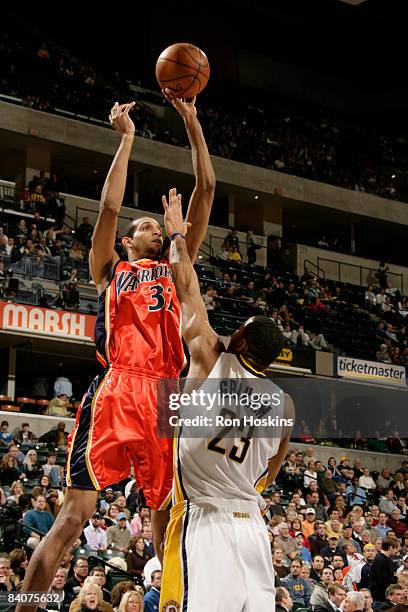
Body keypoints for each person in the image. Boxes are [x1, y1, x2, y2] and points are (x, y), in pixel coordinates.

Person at [18, 94, 215, 612]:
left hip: (166, 397)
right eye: (146, 225)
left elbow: (207, 188)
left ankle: (170, 605)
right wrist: (126, 139)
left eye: (158, 225)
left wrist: (192, 123)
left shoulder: (177, 264)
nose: (155, 226)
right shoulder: (110, 269)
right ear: (128, 241)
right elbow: (108, 206)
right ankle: (22, 604)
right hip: (118, 387)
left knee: (164, 520)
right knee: (71, 518)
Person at [159, 188, 294, 611]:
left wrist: (178, 234)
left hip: (206, 520)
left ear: (239, 338)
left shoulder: (210, 358)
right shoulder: (284, 406)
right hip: (253, 529)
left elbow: (185, 287)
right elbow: (270, 474)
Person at [369, 536, 400, 605]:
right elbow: (384, 582)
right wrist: (396, 578)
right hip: (379, 598)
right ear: (390, 547)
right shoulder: (380, 560)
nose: (397, 551)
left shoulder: (386, 559)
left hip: (384, 597)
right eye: (395, 548)